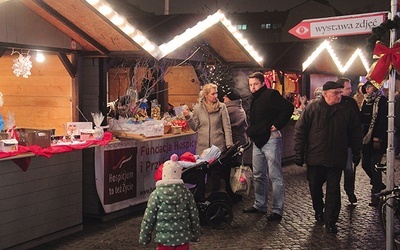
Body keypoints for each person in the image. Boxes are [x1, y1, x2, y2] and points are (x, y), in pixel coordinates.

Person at [294, 81, 362, 234]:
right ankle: (319, 210)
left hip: (336, 157)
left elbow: (356, 132)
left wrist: (357, 152)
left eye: (340, 92)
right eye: (335, 93)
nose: (339, 95)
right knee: (315, 187)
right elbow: (300, 130)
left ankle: (330, 220)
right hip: (315, 157)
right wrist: (299, 152)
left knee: (333, 190)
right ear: (325, 94)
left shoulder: (346, 110)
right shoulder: (312, 108)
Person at [243, 72, 294, 222]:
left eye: (255, 84)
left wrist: (277, 124)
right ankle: (260, 205)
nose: (252, 87)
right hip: (258, 141)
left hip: (271, 140)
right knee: (258, 174)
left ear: (262, 83)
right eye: (251, 85)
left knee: (275, 176)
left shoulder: (271, 94)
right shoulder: (254, 98)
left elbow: (288, 108)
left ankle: (277, 210)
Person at [139, 154, 200, 249]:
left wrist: (144, 237)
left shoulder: (156, 194)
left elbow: (148, 218)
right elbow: (194, 215)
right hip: (183, 239)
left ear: (164, 174)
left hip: (164, 240)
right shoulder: (187, 193)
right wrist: (196, 234)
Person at [183, 83, 233, 192]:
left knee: (216, 176)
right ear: (206, 95)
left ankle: (215, 199)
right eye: (213, 94)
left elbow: (227, 127)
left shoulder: (222, 107)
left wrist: (229, 145)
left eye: (216, 93)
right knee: (202, 175)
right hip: (203, 148)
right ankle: (203, 198)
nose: (216, 96)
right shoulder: (198, 108)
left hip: (218, 147)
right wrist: (188, 117)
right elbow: (195, 127)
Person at [360, 81, 388, 206]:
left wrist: (377, 138)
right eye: (366, 87)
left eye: (370, 87)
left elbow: (383, 120)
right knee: (365, 164)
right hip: (366, 139)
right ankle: (379, 184)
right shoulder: (365, 101)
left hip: (378, 139)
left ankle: (376, 194)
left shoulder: (382, 101)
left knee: (374, 165)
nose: (367, 89)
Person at [336, 77, 362, 206]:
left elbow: (357, 123)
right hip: (335, 143)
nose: (350, 91)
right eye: (348, 88)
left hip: (348, 143)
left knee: (348, 169)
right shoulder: (334, 102)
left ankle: (349, 191)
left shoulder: (351, 103)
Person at [394, 91, 400, 158]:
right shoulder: (397, 97)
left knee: (396, 137)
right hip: (397, 120)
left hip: (397, 120)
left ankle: (396, 152)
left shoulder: (396, 97)